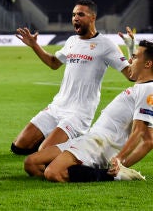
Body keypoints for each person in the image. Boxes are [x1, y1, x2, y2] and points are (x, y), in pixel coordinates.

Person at [11, 0, 133, 156]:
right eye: (74, 14)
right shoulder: (72, 41)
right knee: (19, 147)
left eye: (81, 14)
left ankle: (76, 142)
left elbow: (131, 75)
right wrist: (34, 45)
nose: (75, 18)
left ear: (92, 17)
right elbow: (54, 63)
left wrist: (131, 49)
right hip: (57, 106)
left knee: (44, 153)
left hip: (79, 113)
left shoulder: (106, 45)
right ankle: (60, 139)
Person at [24, 39, 153, 182]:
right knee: (31, 163)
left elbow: (141, 132)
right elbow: (149, 140)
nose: (130, 60)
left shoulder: (148, 90)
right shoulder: (141, 87)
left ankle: (111, 176)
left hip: (99, 146)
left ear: (148, 64)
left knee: (53, 173)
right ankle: (95, 171)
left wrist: (119, 159)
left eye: (134, 57)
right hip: (90, 138)